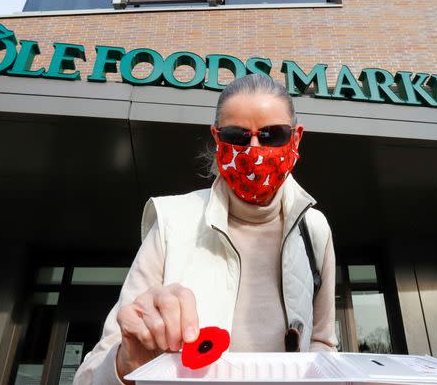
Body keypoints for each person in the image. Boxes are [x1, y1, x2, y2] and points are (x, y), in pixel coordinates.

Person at [74, 73, 337, 385]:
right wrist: (127, 364)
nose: (254, 149)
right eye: (237, 136)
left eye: (272, 135)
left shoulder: (315, 229)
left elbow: (322, 342)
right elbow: (91, 375)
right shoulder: (173, 220)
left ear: (296, 137)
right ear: (217, 138)